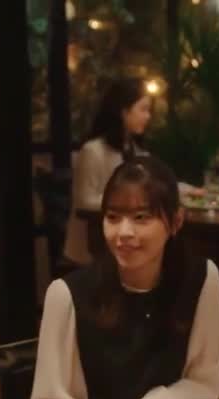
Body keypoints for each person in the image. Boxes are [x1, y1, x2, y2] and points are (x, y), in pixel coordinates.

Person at [32, 156, 219, 399]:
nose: (123, 232)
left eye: (141, 217)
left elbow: (204, 382)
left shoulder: (201, 278)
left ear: (176, 221)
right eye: (112, 217)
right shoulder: (67, 294)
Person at [64, 77, 154, 267]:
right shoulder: (93, 151)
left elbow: (154, 183)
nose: (148, 116)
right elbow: (84, 201)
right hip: (91, 245)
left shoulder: (136, 150)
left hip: (125, 242)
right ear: (124, 112)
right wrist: (129, 202)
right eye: (143, 109)